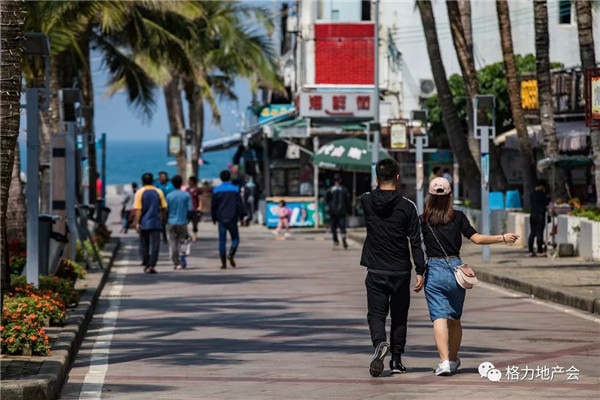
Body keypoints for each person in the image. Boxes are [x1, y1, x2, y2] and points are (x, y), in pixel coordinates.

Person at [421, 177, 519, 376]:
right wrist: (502, 238)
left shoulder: (422, 219)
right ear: (450, 195)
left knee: (439, 317)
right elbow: (476, 239)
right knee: (454, 318)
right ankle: (454, 359)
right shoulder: (458, 217)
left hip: (433, 268)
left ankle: (444, 362)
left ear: (429, 196)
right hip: (456, 270)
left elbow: (412, 243)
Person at [360, 159, 426, 377]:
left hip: (376, 269)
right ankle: (396, 360)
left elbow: (371, 195)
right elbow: (416, 241)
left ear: (376, 179)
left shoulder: (366, 200)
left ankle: (380, 343)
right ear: (398, 177)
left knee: (376, 315)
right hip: (400, 271)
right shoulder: (408, 206)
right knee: (399, 317)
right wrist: (420, 270)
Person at [134, 173, 167, 274]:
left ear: (142, 181)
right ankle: (152, 265)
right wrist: (163, 219)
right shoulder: (159, 191)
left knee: (145, 244)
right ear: (153, 181)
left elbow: (138, 210)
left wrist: (137, 223)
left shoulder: (139, 192)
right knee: (156, 244)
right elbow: (163, 207)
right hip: (156, 221)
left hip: (144, 222)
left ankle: (147, 263)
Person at [212, 170, 245, 269]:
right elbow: (240, 204)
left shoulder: (216, 190)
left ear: (221, 178)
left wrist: (213, 217)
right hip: (232, 218)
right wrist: (242, 216)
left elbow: (214, 206)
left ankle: (223, 263)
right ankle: (231, 254)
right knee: (235, 238)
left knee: (222, 240)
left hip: (221, 218)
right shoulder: (235, 189)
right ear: (230, 177)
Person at [166, 175, 193, 270]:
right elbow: (190, 209)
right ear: (181, 183)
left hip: (171, 222)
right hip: (182, 222)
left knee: (173, 242)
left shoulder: (169, 196)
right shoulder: (186, 195)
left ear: (172, 184)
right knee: (183, 241)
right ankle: (182, 256)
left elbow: (166, 210)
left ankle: (176, 262)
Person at [326, 174, 351, 249]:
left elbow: (327, 199)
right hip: (342, 211)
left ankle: (336, 242)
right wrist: (350, 211)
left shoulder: (330, 189)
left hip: (333, 211)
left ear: (333, 181)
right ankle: (343, 234)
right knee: (342, 226)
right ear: (340, 180)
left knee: (333, 227)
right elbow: (347, 201)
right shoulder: (344, 189)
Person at [528, 180, 550, 257]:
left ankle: (530, 250)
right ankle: (539, 250)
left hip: (532, 215)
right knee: (539, 232)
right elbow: (546, 202)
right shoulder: (542, 194)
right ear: (541, 186)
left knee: (532, 233)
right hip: (540, 215)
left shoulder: (532, 194)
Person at [155, 171, 175, 242]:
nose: (162, 178)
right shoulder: (157, 185)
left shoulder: (170, 185)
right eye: (161, 177)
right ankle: (164, 237)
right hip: (160, 207)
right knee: (162, 222)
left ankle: (170, 235)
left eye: (164, 176)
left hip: (169, 206)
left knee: (169, 222)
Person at [187, 176, 202, 241]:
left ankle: (194, 236)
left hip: (195, 209)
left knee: (195, 224)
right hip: (188, 209)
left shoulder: (197, 190)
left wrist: (200, 207)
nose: (189, 182)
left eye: (190, 181)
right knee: (186, 223)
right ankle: (187, 235)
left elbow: (200, 199)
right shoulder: (187, 190)